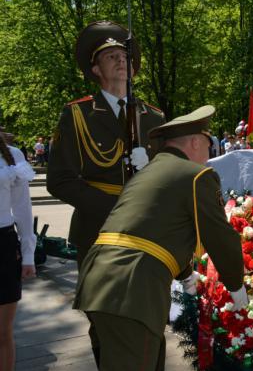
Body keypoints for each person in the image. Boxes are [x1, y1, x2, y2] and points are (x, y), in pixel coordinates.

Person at [73, 105, 247, 371]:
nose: (209, 155)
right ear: (195, 143)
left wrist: (185, 275)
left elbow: (155, 230)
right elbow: (220, 236)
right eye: (207, 146)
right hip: (131, 288)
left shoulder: (148, 174)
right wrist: (236, 284)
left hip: (102, 280)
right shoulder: (196, 176)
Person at [47, 20, 166, 269]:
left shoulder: (154, 117)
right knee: (101, 306)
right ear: (96, 69)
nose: (121, 60)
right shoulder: (77, 114)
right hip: (97, 229)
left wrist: (153, 170)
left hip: (147, 230)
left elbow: (169, 175)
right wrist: (117, 207)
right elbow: (59, 180)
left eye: (125, 56)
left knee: (143, 304)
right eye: (111, 56)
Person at [0, 129, 36, 371]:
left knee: (2, 334)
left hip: (1, 246)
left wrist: (28, 254)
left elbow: (23, 208)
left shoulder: (11, 156)